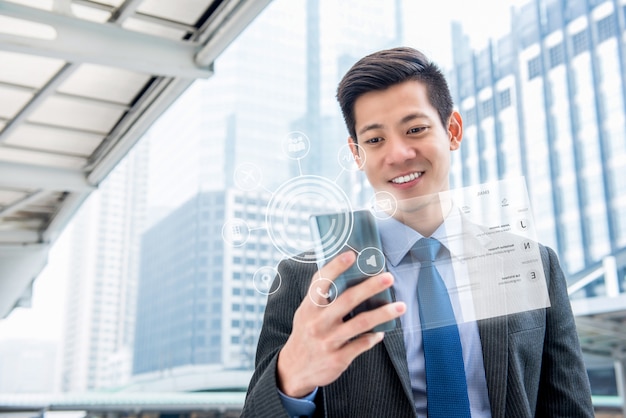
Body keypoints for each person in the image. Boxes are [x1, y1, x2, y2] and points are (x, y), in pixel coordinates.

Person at [241, 47, 594, 417]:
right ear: (357, 154)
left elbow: (569, 406)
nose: (398, 154)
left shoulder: (531, 263)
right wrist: (291, 379)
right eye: (375, 140)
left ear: (452, 130)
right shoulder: (305, 280)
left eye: (415, 129)